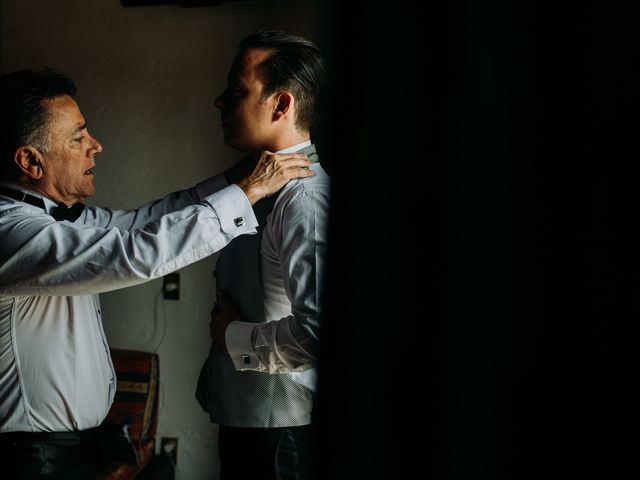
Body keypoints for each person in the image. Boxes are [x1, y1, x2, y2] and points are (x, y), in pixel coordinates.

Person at [0, 67, 313, 479]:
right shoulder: (12, 231)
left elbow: (149, 219)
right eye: (78, 138)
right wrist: (247, 193)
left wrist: (241, 177)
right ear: (30, 161)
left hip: (69, 450)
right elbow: (134, 252)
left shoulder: (62, 221)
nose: (96, 146)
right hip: (28, 461)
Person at [196, 30, 330, 479]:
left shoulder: (304, 201)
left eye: (236, 91)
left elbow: (318, 333)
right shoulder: (255, 186)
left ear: (281, 105)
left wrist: (231, 338)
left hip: (280, 436)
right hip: (250, 423)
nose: (219, 102)